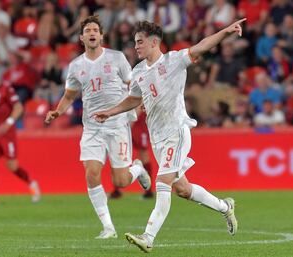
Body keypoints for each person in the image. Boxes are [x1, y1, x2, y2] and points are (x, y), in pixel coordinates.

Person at [93, 19, 245, 252]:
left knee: (162, 182)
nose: (136, 47)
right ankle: (225, 207)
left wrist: (225, 32)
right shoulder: (139, 72)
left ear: (155, 42)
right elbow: (135, 99)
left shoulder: (174, 61)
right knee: (182, 189)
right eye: (135, 42)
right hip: (158, 138)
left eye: (140, 42)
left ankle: (148, 237)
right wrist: (111, 112)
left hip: (177, 130)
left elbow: (202, 46)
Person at [44, 15, 151, 239]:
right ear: (82, 37)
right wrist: (58, 111)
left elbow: (133, 84)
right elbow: (69, 95)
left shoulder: (117, 58)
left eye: (95, 29)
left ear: (101, 35)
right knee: (92, 174)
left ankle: (138, 168)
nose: (92, 33)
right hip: (92, 127)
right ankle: (108, 228)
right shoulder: (76, 66)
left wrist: (142, 104)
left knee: (120, 182)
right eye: (88, 30)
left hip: (117, 124)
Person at [0, 66, 41, 204]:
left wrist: (9, 122)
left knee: (12, 166)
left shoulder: (6, 89)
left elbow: (18, 107)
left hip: (7, 133)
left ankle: (32, 184)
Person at [110, 105, 154, 199]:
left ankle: (149, 191)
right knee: (118, 153)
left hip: (137, 121)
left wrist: (132, 120)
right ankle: (116, 190)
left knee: (143, 153)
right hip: (124, 119)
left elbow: (139, 97)